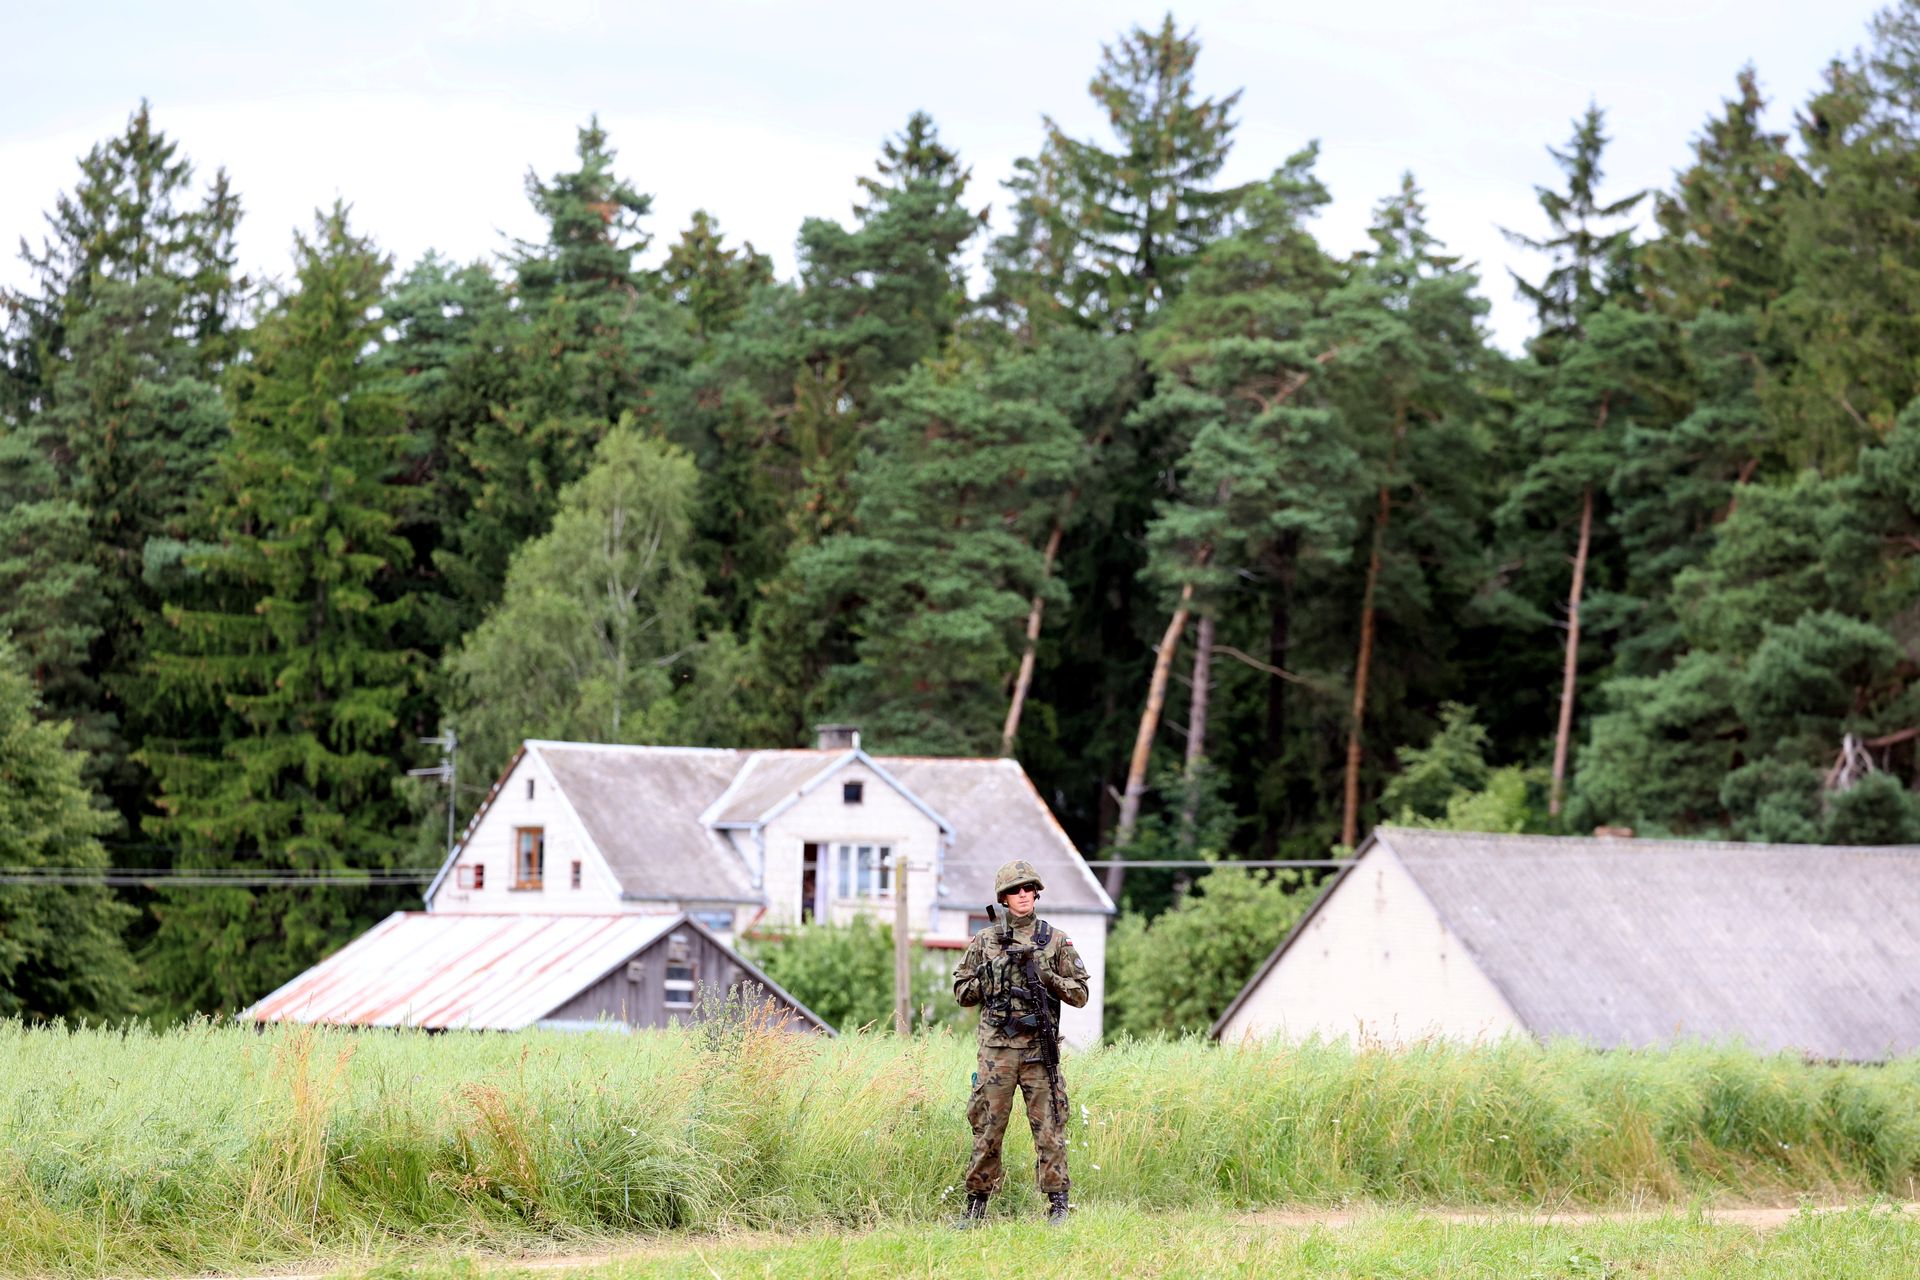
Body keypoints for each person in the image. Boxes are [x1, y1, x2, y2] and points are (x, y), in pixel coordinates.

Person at [950, 858, 1090, 1227]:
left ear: (1037, 893)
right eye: (1015, 890)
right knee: (988, 1128)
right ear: (1004, 898)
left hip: (1039, 1052)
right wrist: (989, 976)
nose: (1023, 894)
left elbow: (1080, 994)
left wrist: (1047, 977)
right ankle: (976, 1208)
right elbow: (962, 993)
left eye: (1029, 888)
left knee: (1049, 1129)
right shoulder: (985, 941)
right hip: (997, 1053)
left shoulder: (1055, 940)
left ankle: (1058, 1207)